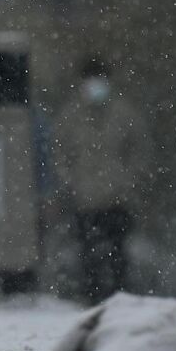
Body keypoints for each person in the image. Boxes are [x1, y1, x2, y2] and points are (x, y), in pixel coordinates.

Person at [60, 57, 146, 301]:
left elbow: (138, 150)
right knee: (88, 255)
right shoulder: (71, 117)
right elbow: (60, 154)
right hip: (84, 199)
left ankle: (121, 298)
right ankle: (91, 299)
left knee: (119, 254)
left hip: (117, 199)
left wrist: (128, 180)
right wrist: (72, 182)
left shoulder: (124, 114)